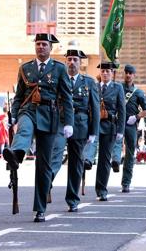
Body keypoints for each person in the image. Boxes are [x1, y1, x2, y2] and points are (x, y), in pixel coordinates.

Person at [3, 33, 74, 222]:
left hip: (50, 117)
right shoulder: (25, 68)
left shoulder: (59, 68)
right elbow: (19, 95)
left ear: (51, 48)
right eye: (38, 44)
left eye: (44, 44)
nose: (41, 47)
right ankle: (17, 154)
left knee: (44, 165)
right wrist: (13, 116)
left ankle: (40, 209)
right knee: (24, 128)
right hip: (29, 110)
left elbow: (67, 97)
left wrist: (69, 123)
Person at [49, 49, 99, 212]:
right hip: (61, 122)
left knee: (76, 163)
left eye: (75, 60)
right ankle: (48, 181)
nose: (71, 62)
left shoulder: (89, 82)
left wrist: (93, 131)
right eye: (69, 59)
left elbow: (95, 108)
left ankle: (72, 199)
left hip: (80, 125)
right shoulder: (58, 80)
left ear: (80, 62)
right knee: (55, 155)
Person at [111, 64, 146, 193]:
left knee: (129, 153)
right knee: (116, 142)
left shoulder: (138, 92)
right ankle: (116, 161)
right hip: (117, 122)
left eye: (130, 73)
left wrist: (136, 116)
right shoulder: (117, 87)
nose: (128, 75)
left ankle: (126, 183)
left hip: (130, 123)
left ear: (134, 75)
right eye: (126, 72)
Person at [94, 62, 125, 202]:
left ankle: (101, 190)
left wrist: (120, 130)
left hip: (109, 126)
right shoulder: (94, 87)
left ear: (112, 73)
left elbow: (121, 110)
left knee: (104, 159)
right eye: (102, 71)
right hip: (93, 125)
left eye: (107, 71)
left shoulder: (117, 87)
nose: (104, 73)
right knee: (86, 155)